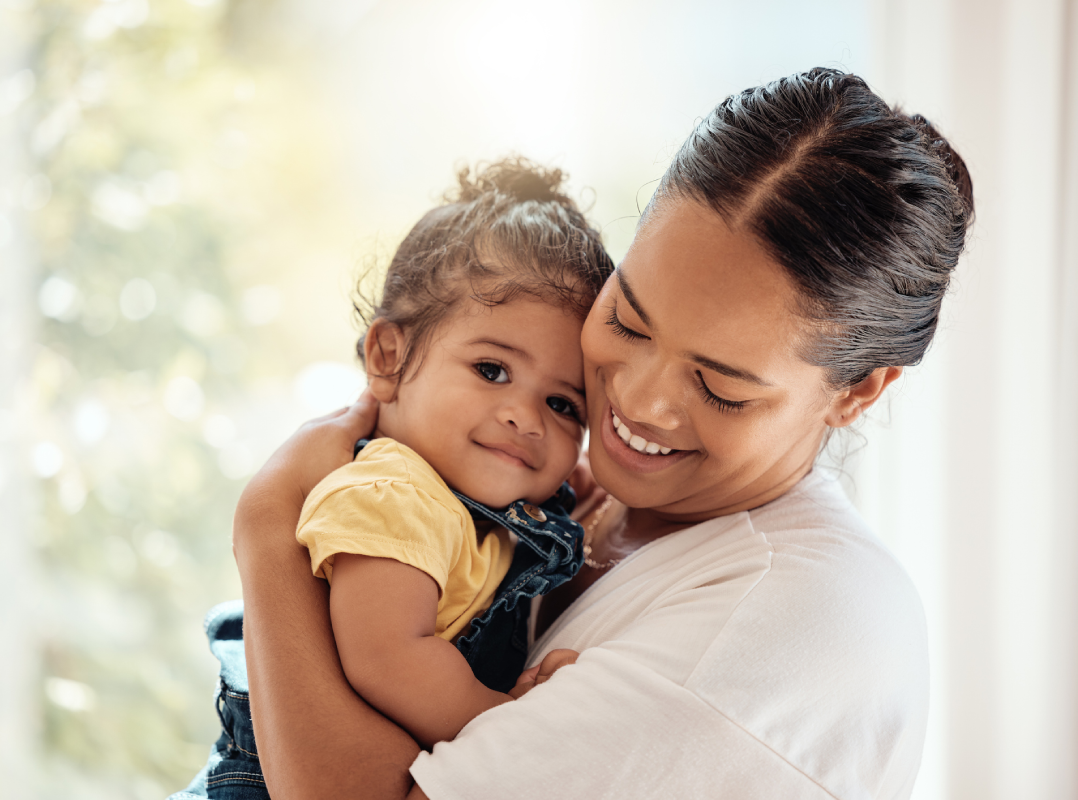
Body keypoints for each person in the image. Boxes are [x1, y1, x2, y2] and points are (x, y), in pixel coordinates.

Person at [223, 68, 974, 800]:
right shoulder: (585, 501)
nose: (637, 402)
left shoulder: (796, 632)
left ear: (857, 391)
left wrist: (269, 532)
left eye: (718, 387)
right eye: (626, 319)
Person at [176, 159, 615, 799]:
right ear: (389, 356)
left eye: (562, 404)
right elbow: (391, 658)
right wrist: (506, 723)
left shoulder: (472, 496)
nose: (524, 417)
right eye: (492, 370)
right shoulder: (394, 497)